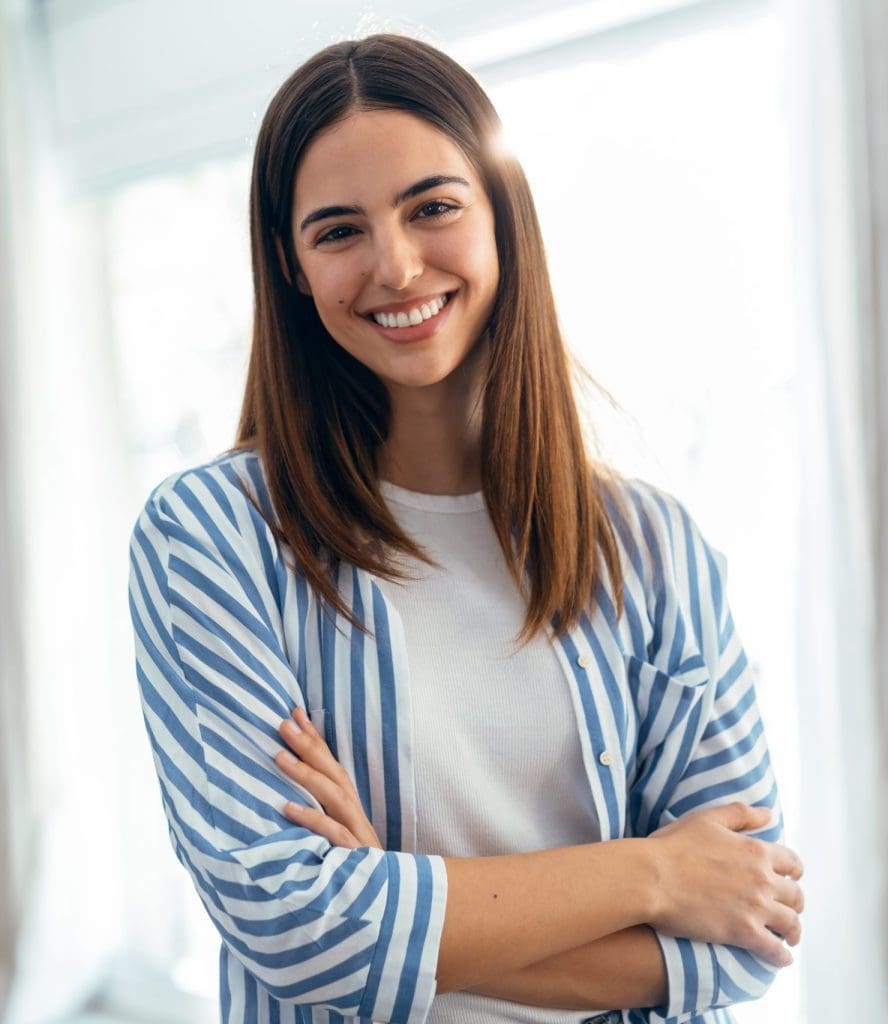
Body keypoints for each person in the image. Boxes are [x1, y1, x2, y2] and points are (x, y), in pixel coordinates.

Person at [127, 32, 804, 1024]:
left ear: (503, 213)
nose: (396, 266)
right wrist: (655, 873)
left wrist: (389, 896)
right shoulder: (211, 539)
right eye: (338, 231)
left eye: (432, 206)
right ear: (291, 263)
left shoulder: (655, 547)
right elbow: (301, 930)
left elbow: (747, 936)